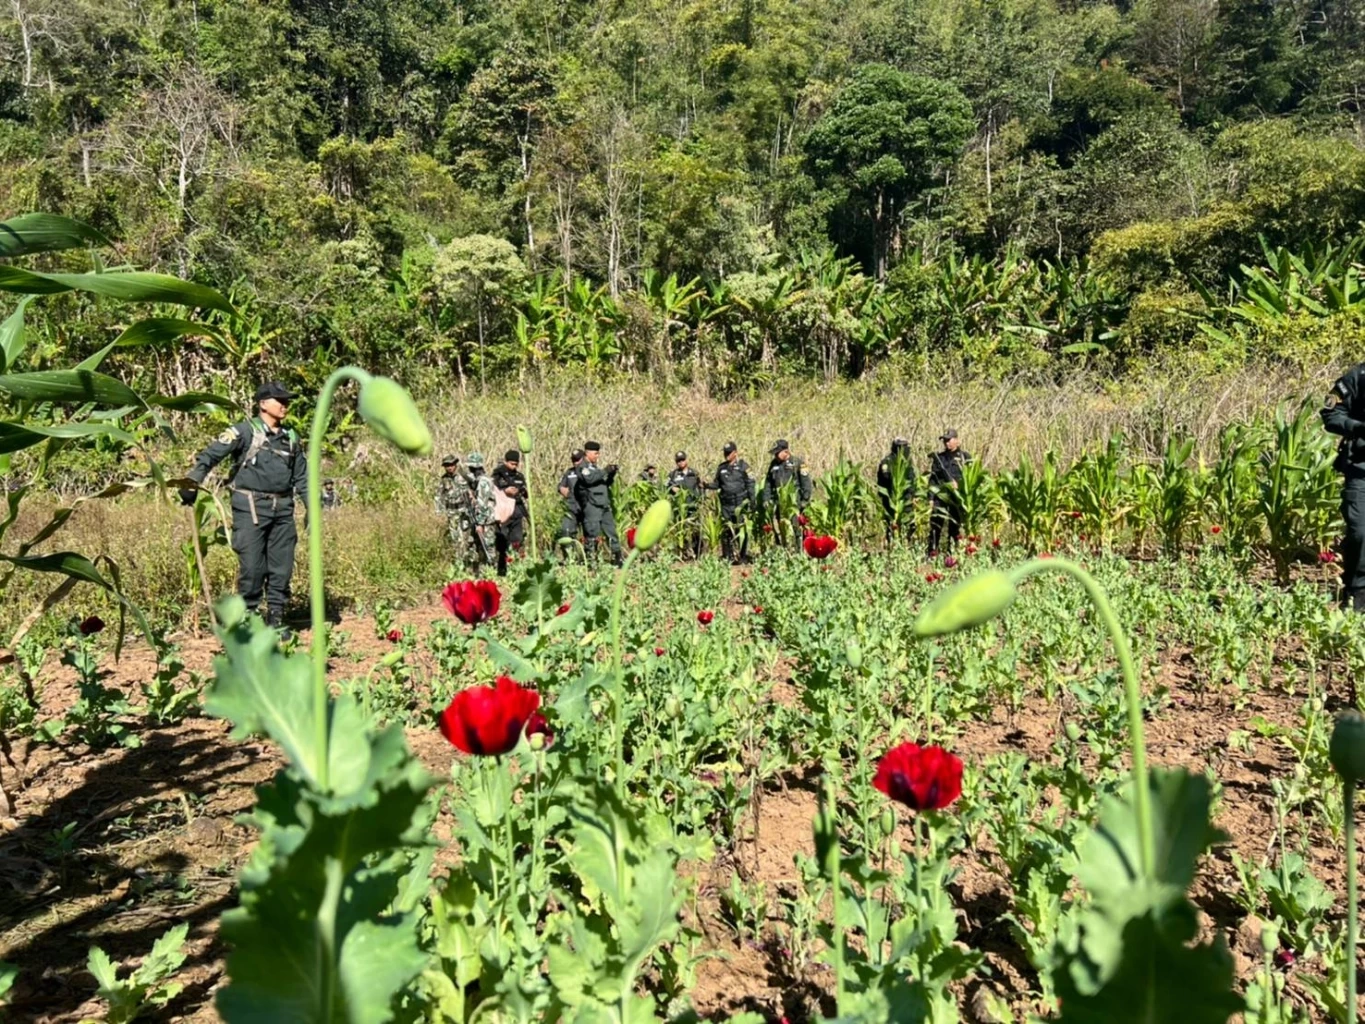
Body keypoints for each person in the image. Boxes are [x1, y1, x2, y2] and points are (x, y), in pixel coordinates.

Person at [180, 381, 305, 629]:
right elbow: (211, 455)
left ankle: (277, 620)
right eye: (279, 400)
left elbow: (302, 476)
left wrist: (313, 507)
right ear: (263, 404)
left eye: (286, 400)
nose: (285, 405)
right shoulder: (243, 432)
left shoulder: (291, 438)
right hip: (251, 509)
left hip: (283, 510)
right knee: (253, 568)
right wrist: (192, 482)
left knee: (281, 568)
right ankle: (248, 620)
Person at [1323, 366, 1365, 609]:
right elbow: (1331, 413)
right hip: (1360, 465)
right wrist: (1356, 427)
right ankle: (1357, 591)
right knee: (1360, 531)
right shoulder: (1356, 377)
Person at [575, 441, 623, 566]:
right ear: (588, 453)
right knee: (592, 533)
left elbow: (604, 483)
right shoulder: (582, 467)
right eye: (596, 453)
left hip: (604, 505)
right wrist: (605, 470)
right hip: (592, 505)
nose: (598, 456)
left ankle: (617, 558)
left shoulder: (595, 468)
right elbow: (589, 479)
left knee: (611, 532)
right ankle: (591, 560)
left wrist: (611, 474)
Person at [761, 438, 813, 549]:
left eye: (777, 453)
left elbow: (806, 483)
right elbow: (768, 483)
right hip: (778, 503)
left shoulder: (798, 463)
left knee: (796, 528)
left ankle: (799, 551)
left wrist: (805, 500)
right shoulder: (773, 464)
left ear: (786, 451)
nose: (775, 456)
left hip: (794, 503)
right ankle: (784, 550)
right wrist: (766, 499)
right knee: (780, 529)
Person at [927, 429, 971, 557]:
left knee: (954, 527)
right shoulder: (939, 458)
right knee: (936, 525)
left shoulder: (965, 457)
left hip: (957, 498)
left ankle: (952, 553)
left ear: (957, 440)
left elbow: (971, 477)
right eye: (945, 440)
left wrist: (959, 484)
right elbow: (933, 479)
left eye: (949, 440)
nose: (947, 443)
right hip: (940, 496)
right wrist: (931, 498)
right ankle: (932, 553)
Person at [714, 441, 756, 564]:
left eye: (729, 453)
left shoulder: (744, 467)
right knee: (726, 530)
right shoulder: (721, 468)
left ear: (735, 453)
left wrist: (752, 501)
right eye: (725, 453)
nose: (726, 455)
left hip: (740, 504)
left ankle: (742, 556)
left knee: (741, 530)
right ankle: (727, 557)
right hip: (726, 504)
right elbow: (717, 484)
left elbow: (750, 484)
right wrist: (705, 485)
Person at [490, 449, 528, 577]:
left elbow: (525, 493)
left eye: (516, 464)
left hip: (517, 512)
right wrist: (505, 491)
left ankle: (515, 569)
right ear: (506, 462)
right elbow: (492, 492)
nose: (514, 466)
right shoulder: (497, 475)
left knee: (517, 540)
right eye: (511, 463)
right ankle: (501, 570)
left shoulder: (519, 476)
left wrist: (523, 491)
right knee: (502, 542)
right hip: (504, 514)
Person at [876, 438, 916, 545]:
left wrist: (913, 495)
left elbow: (912, 480)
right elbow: (885, 479)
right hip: (891, 499)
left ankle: (906, 544)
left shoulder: (907, 462)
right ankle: (892, 545)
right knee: (891, 526)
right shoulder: (887, 462)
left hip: (906, 499)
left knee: (910, 525)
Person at [666, 450, 705, 559]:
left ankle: (698, 554)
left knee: (696, 531)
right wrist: (672, 488)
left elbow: (701, 487)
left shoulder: (694, 473)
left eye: (682, 460)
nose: (681, 462)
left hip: (694, 507)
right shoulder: (673, 475)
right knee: (681, 530)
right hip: (680, 508)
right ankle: (683, 553)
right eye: (678, 461)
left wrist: (702, 501)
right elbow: (665, 486)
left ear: (686, 460)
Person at [435, 455, 471, 562]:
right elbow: (439, 495)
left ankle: (469, 559)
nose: (449, 467)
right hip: (452, 512)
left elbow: (474, 488)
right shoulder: (444, 479)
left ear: (455, 464)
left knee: (467, 536)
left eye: (451, 465)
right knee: (455, 538)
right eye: (447, 465)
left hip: (465, 511)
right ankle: (459, 560)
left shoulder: (464, 475)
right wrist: (439, 510)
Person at [466, 451, 495, 567]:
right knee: (480, 547)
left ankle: (492, 569)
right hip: (484, 519)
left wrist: (480, 524)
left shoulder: (483, 482)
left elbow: (483, 505)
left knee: (488, 547)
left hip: (486, 520)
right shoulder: (480, 480)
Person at [557, 449, 586, 558]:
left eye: (578, 460)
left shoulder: (590, 471)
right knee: (566, 530)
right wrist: (561, 489)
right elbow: (561, 485)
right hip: (571, 507)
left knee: (590, 534)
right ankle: (570, 558)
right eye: (574, 460)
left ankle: (590, 558)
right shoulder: (569, 472)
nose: (575, 462)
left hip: (586, 507)